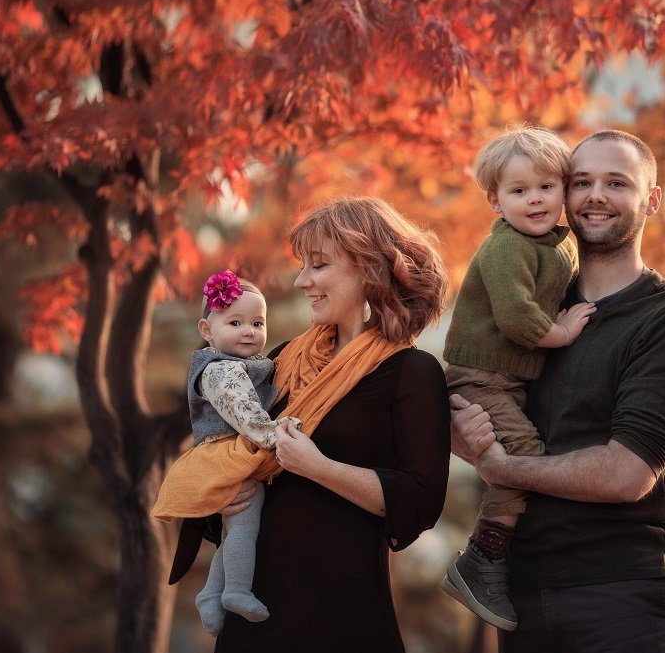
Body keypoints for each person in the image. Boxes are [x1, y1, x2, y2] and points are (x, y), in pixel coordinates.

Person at [451, 129, 665, 653]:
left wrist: (502, 467)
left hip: (620, 594)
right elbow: (476, 387)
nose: (595, 195)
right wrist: (459, 431)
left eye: (617, 182)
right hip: (519, 594)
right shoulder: (528, 306)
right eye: (582, 181)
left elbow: (625, 474)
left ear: (650, 200)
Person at [167, 196, 452, 653]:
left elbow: (420, 500)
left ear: (368, 268)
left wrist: (318, 467)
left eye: (318, 265)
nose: (302, 281)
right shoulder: (279, 359)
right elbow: (223, 437)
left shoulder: (412, 372)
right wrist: (226, 486)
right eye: (303, 266)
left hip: (341, 613)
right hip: (253, 611)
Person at [440, 124, 596, 631]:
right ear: (495, 200)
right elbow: (516, 318)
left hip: (507, 379)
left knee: (522, 452)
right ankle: (482, 558)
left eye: (546, 187)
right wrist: (564, 333)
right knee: (522, 458)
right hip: (480, 377)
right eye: (518, 190)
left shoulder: (558, 245)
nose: (535, 200)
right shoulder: (507, 247)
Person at [151, 270, 301, 635]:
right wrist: (278, 433)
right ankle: (235, 590)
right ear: (207, 330)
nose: (249, 331)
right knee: (245, 527)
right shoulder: (221, 370)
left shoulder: (240, 363)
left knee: (239, 527)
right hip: (226, 453)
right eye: (235, 322)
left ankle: (211, 592)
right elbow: (246, 414)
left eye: (257, 322)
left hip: (230, 450)